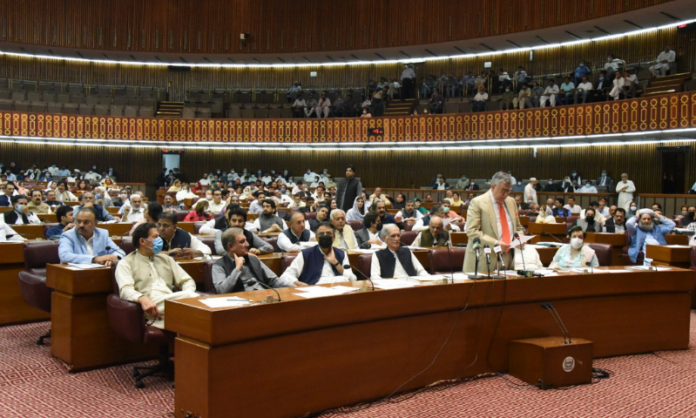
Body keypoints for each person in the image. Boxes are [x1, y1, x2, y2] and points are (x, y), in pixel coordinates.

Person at [114, 222, 198, 329]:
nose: (160, 240)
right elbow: (125, 290)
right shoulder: (126, 263)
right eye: (155, 237)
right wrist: (142, 299)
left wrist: (187, 292)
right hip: (151, 304)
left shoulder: (166, 259)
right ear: (142, 241)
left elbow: (187, 280)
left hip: (171, 300)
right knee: (196, 306)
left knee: (192, 318)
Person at [212, 227, 305, 294]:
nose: (247, 244)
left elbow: (273, 281)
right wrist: (237, 269)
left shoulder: (253, 259)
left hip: (263, 297)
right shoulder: (218, 266)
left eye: (246, 240)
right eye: (242, 242)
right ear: (230, 246)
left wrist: (294, 285)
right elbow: (221, 291)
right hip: (239, 305)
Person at [463, 172, 523, 273]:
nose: (506, 195)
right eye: (503, 190)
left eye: (509, 191)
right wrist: (495, 243)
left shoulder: (511, 202)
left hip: (508, 256)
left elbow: (518, 227)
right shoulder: (477, 202)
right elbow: (472, 231)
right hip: (485, 256)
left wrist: (520, 238)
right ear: (493, 186)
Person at [279, 222, 356, 284]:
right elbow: (285, 277)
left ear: (334, 237)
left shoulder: (341, 254)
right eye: (321, 234)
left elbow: (353, 279)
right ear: (316, 237)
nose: (325, 236)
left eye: (328, 234)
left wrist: (336, 263)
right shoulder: (306, 254)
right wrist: (301, 285)